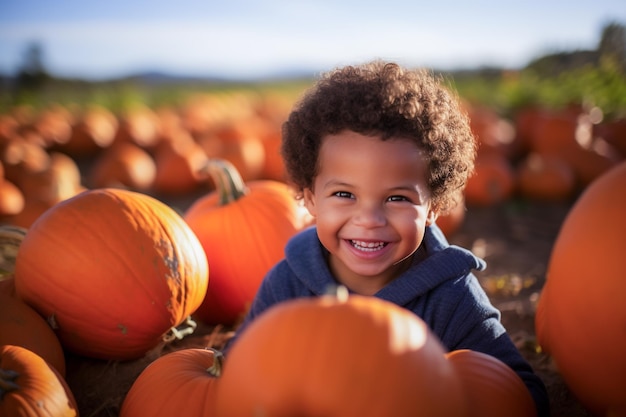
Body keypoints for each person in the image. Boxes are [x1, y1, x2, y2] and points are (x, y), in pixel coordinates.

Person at [223, 60, 549, 416]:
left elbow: (521, 392)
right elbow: (237, 367)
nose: (369, 219)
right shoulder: (286, 284)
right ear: (311, 197)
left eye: (397, 198)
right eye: (344, 194)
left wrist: (439, 393)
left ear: (434, 207)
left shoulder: (451, 297)